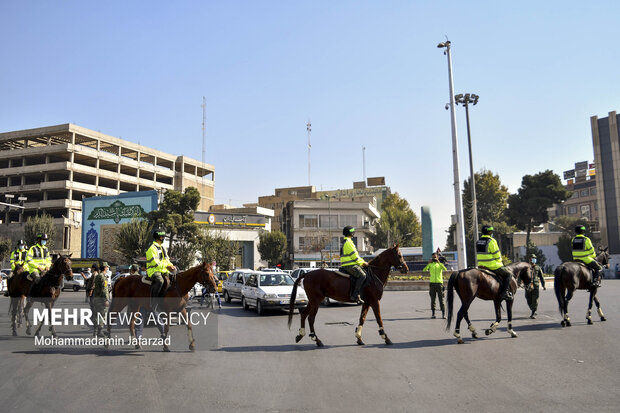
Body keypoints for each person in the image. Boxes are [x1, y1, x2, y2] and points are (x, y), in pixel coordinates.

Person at [476, 225, 513, 301]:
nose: (492, 233)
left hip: (481, 265)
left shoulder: (478, 241)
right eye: (491, 231)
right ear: (489, 232)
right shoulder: (492, 241)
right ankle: (505, 293)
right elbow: (497, 255)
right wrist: (500, 263)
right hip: (492, 266)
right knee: (508, 274)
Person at [146, 229, 176, 311]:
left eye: (163, 236)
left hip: (163, 270)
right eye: (162, 236)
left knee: (175, 277)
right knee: (160, 281)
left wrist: (171, 266)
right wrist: (167, 267)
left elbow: (167, 260)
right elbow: (156, 263)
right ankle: (154, 302)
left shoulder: (163, 247)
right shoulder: (152, 248)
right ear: (157, 237)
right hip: (153, 270)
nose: (163, 238)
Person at [340, 225, 367, 304]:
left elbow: (357, 256)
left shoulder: (347, 241)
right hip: (349, 265)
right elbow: (354, 256)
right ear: (350, 233)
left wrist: (363, 262)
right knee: (362, 275)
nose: (354, 233)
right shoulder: (348, 242)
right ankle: (355, 295)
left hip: (349, 264)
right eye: (353, 232)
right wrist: (362, 263)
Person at [423, 253, 447, 319]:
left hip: (439, 284)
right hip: (432, 284)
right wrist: (428, 263)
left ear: (437, 257)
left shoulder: (440, 264)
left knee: (441, 299)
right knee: (433, 300)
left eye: (435, 257)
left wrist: (439, 262)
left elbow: (445, 269)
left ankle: (443, 314)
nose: (434, 258)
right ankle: (433, 314)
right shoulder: (430, 265)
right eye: (433, 257)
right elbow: (424, 270)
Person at [525, 254, 546, 319]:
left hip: (535, 285)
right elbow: (522, 276)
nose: (534, 259)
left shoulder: (538, 268)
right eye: (532, 258)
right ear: (530, 259)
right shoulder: (526, 267)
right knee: (528, 298)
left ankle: (533, 312)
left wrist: (543, 285)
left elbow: (541, 277)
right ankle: (533, 308)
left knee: (535, 299)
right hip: (528, 285)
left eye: (535, 258)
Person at [92, 264, 110, 337]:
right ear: (105, 268)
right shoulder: (102, 276)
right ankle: (99, 331)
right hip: (101, 299)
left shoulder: (98, 275)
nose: (108, 268)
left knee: (96, 315)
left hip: (96, 298)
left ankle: (95, 332)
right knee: (102, 315)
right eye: (107, 267)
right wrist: (106, 300)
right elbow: (103, 289)